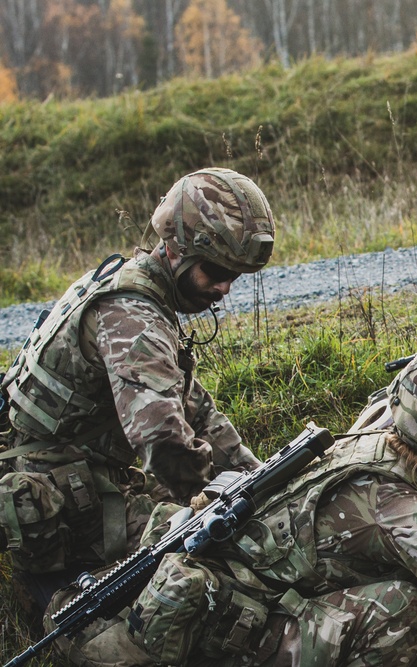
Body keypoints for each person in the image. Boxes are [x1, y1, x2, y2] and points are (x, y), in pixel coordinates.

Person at [47, 342, 417, 666]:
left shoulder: (379, 444)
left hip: (250, 591)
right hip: (223, 628)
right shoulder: (393, 505)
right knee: (397, 611)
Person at [0, 168, 274, 624]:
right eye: (218, 271)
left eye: (236, 275)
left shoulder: (128, 283)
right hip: (62, 499)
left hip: (77, 473)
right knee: (226, 545)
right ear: (175, 250)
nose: (225, 287)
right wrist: (218, 503)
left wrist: (257, 475)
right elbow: (164, 441)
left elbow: (194, 406)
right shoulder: (132, 315)